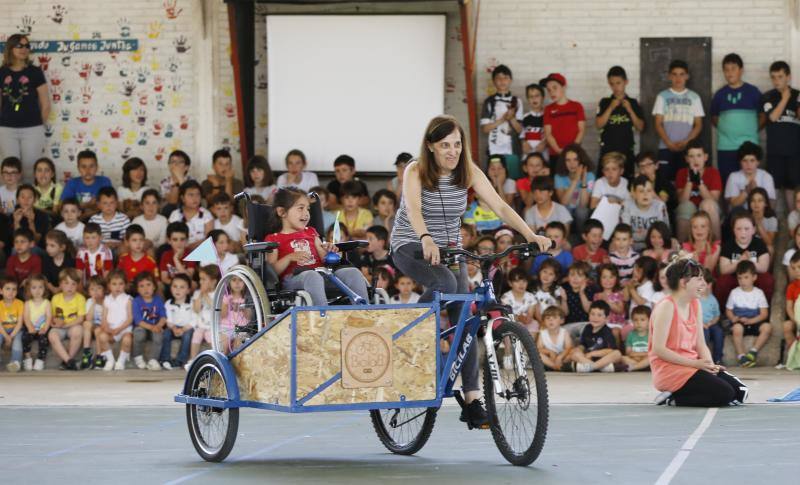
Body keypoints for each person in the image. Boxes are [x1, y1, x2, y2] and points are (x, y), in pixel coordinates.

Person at [391, 114, 551, 428]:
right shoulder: (416, 170)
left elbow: (501, 206)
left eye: (458, 144)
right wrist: (425, 238)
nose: (453, 151)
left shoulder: (467, 170)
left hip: (449, 249)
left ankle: (473, 399)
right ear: (431, 147)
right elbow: (413, 209)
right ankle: (416, 337)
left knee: (465, 313)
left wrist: (529, 234)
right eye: (445, 145)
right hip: (411, 246)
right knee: (448, 283)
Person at [649, 256, 748, 407]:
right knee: (725, 394)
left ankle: (679, 393)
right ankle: (673, 398)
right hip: (671, 370)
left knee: (740, 392)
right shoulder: (666, 307)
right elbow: (659, 349)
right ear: (683, 282)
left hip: (693, 366)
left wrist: (710, 366)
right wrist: (695, 364)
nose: (704, 284)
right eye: (699, 279)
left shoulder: (695, 304)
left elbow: (701, 343)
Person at [265, 187, 368, 306]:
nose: (306, 213)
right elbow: (272, 271)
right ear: (282, 212)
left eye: (307, 209)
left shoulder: (311, 232)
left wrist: (330, 249)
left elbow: (324, 258)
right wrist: (289, 258)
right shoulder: (274, 238)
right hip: (294, 279)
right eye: (300, 208)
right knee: (312, 276)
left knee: (352, 272)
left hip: (322, 275)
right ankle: (322, 316)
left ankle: (363, 312)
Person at [0, 34, 50, 176]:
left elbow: (45, 103)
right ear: (10, 48)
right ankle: (10, 199)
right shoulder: (1, 72)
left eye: (27, 46)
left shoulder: (35, 72)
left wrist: (39, 125)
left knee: (30, 170)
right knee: (10, 170)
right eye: (19, 45)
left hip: (32, 129)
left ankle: (30, 198)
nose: (24, 49)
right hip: (6, 130)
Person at [711, 53, 763, 184]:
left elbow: (763, 116)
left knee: (751, 184)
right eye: (726, 69)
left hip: (750, 147)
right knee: (727, 183)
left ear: (741, 70)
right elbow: (714, 117)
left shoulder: (753, 91)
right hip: (726, 147)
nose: (729, 73)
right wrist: (726, 129)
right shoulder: (719, 94)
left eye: (733, 68)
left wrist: (752, 130)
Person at [652, 59, 705, 180]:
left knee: (685, 181)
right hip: (665, 147)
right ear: (669, 76)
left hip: (687, 150)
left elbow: (698, 125)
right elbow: (658, 123)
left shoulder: (694, 97)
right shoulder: (662, 96)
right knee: (665, 183)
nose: (678, 78)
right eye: (674, 74)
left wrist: (686, 142)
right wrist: (668, 142)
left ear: (687, 76)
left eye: (682, 74)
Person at [761, 61, 800, 211]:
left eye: (780, 76)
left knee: (792, 190)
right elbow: (772, 117)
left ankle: (794, 229)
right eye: (773, 77)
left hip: (794, 152)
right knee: (773, 191)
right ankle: (771, 228)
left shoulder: (798, 95)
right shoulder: (768, 96)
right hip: (775, 152)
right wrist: (785, 98)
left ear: (788, 77)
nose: (777, 81)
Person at [595, 66, 644, 177]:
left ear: (625, 82)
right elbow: (598, 125)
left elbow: (640, 127)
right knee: (603, 184)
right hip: (607, 150)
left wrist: (630, 110)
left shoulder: (633, 102)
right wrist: (610, 108)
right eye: (612, 84)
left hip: (626, 150)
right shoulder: (604, 102)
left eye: (618, 83)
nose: (615, 87)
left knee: (627, 184)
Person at [715, 211, 774, 305]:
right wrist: (739, 261)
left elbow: (764, 268)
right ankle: (724, 312)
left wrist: (750, 262)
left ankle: (765, 309)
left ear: (753, 230)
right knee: (722, 282)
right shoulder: (728, 245)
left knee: (767, 280)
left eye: (747, 229)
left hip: (754, 277)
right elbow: (723, 270)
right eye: (739, 229)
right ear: (733, 230)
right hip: (735, 278)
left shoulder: (759, 243)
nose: (743, 232)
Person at [674, 140, 722, 241]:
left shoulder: (713, 172)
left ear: (705, 157)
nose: (695, 160)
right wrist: (690, 180)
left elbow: (713, 201)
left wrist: (699, 182)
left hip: (707, 210)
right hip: (689, 211)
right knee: (685, 207)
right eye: (691, 156)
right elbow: (682, 201)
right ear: (687, 159)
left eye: (699, 155)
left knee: (708, 204)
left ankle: (716, 246)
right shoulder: (681, 173)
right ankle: (683, 251)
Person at [726, 260, 771, 368]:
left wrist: (751, 321)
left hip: (755, 321)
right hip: (740, 321)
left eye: (746, 277)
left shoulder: (759, 293)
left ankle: (753, 352)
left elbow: (764, 314)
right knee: (737, 329)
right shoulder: (734, 292)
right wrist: (733, 318)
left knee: (767, 327)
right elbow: (728, 310)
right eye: (740, 278)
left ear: (754, 277)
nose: (742, 281)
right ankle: (741, 356)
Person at [480, 65, 523, 159]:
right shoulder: (489, 101)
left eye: (505, 78)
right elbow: (485, 129)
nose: (502, 81)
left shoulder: (517, 101)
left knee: (513, 173)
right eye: (498, 78)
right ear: (493, 81)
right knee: (495, 173)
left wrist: (511, 118)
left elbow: (520, 130)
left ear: (510, 80)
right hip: (494, 150)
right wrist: (502, 119)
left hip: (513, 149)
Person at [48, 268, 86, 371]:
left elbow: (81, 318)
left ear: (77, 285)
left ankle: (67, 360)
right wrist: (54, 321)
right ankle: (69, 361)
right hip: (59, 327)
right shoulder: (55, 298)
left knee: (78, 330)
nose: (70, 287)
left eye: (73, 284)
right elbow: (51, 316)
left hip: (72, 326)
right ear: (60, 284)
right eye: (66, 283)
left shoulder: (80, 298)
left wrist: (65, 325)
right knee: (52, 335)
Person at [570, 300, 622, 373]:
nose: (595, 318)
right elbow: (583, 345)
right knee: (574, 353)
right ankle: (597, 367)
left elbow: (610, 350)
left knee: (617, 354)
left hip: (602, 359)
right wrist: (579, 349)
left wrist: (592, 354)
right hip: (588, 358)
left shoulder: (607, 331)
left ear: (606, 318)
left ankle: (592, 367)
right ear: (589, 315)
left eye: (599, 315)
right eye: (592, 314)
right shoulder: (587, 328)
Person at [621, 175, 670, 251]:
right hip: (631, 245)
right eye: (641, 191)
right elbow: (624, 233)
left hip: (654, 245)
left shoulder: (660, 206)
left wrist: (638, 235)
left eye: (649, 191)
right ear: (634, 194)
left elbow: (663, 234)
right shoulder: (626, 205)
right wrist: (648, 233)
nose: (645, 194)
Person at [97, 269, 133, 371]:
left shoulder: (128, 299)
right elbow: (103, 317)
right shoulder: (107, 299)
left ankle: (121, 361)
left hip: (124, 329)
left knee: (127, 339)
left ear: (125, 285)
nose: (117, 287)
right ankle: (110, 360)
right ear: (109, 285)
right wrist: (106, 328)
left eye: (121, 284)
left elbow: (130, 318)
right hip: (111, 329)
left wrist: (120, 329)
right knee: (102, 337)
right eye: (114, 284)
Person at [542, 73, 585, 158]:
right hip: (555, 153)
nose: (552, 92)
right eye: (549, 90)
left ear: (564, 87)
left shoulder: (577, 106)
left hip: (574, 153)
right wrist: (558, 150)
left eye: (555, 88)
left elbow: (581, 130)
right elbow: (548, 134)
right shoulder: (548, 109)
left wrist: (573, 149)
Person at [554, 144, 594, 235]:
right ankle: (564, 238)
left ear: (581, 160)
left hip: (580, 212)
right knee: (564, 209)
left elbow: (584, 204)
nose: (572, 164)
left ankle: (582, 237)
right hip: (567, 209)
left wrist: (583, 181)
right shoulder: (559, 176)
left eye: (575, 160)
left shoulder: (590, 176)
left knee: (582, 211)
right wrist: (575, 180)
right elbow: (563, 202)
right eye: (568, 160)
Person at [724, 141, 776, 211]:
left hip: (761, 214)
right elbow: (734, 204)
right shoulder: (733, 177)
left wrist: (756, 191)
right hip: (740, 215)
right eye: (744, 161)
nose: (748, 164)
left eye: (752, 160)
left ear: (758, 162)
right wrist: (746, 191)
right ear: (740, 162)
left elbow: (771, 204)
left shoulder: (766, 177)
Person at [131, 272, 167, 371]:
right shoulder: (136, 301)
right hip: (142, 327)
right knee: (138, 333)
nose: (145, 289)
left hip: (155, 327)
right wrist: (152, 327)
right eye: (141, 286)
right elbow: (138, 320)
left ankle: (153, 360)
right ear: (137, 289)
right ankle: (138, 357)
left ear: (154, 287)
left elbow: (163, 316)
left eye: (148, 285)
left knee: (159, 335)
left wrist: (159, 325)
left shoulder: (158, 300)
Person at [60, 150, 112, 217]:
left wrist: (81, 207)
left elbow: (110, 206)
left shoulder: (105, 181)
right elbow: (62, 207)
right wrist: (89, 205)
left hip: (100, 219)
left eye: (91, 166)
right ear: (78, 168)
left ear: (97, 167)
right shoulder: (72, 183)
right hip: (77, 219)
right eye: (83, 167)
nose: (88, 170)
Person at [162, 273, 195, 369]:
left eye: (182, 287)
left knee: (188, 335)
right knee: (166, 334)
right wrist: (173, 328)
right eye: (175, 286)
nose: (177, 290)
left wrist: (184, 328)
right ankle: (165, 359)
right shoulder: (168, 303)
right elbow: (168, 319)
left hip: (187, 327)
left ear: (188, 290)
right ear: (170, 288)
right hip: (173, 327)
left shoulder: (192, 303)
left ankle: (181, 360)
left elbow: (195, 319)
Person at [168, 180, 213, 248]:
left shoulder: (206, 215)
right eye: (191, 195)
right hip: (178, 250)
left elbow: (209, 240)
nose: (195, 198)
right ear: (182, 198)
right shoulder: (175, 215)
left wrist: (189, 248)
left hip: (200, 251)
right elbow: (169, 237)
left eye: (198, 194)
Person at [21, 274, 51, 371]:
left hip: (42, 328)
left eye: (40, 287)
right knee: (25, 337)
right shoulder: (27, 303)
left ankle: (40, 359)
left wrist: (45, 328)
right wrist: (30, 327)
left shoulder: (47, 303)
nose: (37, 291)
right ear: (29, 289)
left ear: (45, 289)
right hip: (31, 327)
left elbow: (49, 317)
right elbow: (26, 317)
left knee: (44, 340)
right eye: (34, 288)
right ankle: (28, 358)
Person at [88, 187, 130, 252]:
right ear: (98, 205)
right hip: (100, 249)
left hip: (118, 248)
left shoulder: (124, 219)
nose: (109, 206)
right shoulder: (94, 220)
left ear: (116, 203)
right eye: (105, 203)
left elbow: (128, 239)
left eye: (112, 203)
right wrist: (103, 245)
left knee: (124, 249)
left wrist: (117, 244)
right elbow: (90, 239)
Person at [537, 305, 573, 371]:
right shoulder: (542, 333)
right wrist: (550, 352)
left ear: (562, 320)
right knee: (538, 355)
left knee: (573, 353)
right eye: (548, 318)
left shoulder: (564, 332)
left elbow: (568, 347)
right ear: (543, 321)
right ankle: (555, 367)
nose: (551, 320)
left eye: (554, 318)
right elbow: (539, 348)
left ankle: (558, 365)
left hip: (562, 356)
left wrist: (560, 357)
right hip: (549, 358)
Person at [699, 268, 723, 365]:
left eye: (708, 284)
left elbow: (717, 315)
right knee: (705, 333)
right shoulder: (695, 299)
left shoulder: (713, 299)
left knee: (719, 332)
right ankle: (704, 358)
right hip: (698, 325)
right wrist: (701, 324)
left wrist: (711, 323)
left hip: (710, 324)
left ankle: (717, 358)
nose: (707, 287)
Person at [0, 277, 24, 372]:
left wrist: (11, 336)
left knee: (18, 341)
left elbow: (20, 322)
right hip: (2, 329)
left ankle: (15, 362)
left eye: (14, 289)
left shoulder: (20, 304)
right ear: (1, 291)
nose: (11, 292)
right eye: (8, 289)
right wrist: (6, 336)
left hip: (16, 329)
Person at [159, 150, 193, 216]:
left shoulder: (192, 180)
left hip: (189, 211)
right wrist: (178, 181)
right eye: (173, 161)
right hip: (171, 212)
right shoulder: (164, 182)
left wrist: (180, 178)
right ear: (169, 166)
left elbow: (190, 200)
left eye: (180, 162)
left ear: (186, 167)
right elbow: (172, 201)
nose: (176, 164)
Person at [520, 83, 547, 156]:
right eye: (530, 97)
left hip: (544, 153)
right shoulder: (524, 117)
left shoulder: (548, 116)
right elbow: (522, 135)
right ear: (528, 99)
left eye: (537, 96)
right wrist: (524, 143)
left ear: (543, 97)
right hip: (528, 154)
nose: (534, 99)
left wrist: (545, 142)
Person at [622, 305, 652, 371]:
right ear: (632, 321)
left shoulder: (652, 335)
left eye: (642, 320)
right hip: (635, 359)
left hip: (646, 359)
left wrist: (640, 355)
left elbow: (653, 353)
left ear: (649, 321)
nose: (639, 323)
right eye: (635, 320)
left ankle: (635, 367)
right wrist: (641, 355)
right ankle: (641, 366)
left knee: (651, 358)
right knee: (623, 358)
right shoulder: (631, 335)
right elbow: (628, 353)